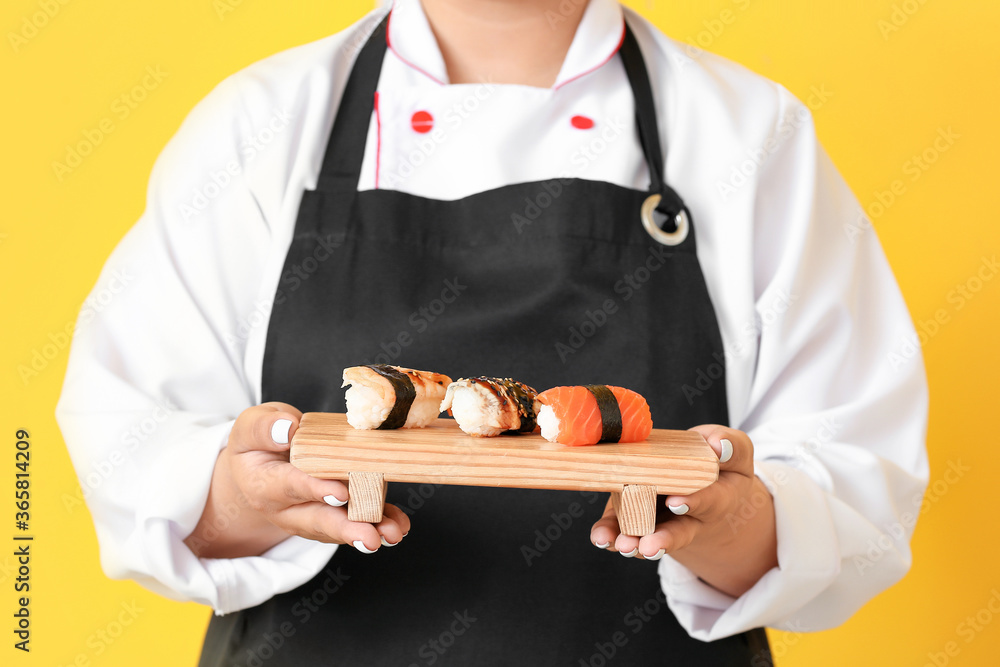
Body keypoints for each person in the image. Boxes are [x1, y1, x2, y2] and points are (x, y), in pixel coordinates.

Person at [56, 0, 929, 664]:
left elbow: (858, 483)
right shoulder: (257, 127)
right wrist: (236, 498)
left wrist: (732, 516)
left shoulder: (750, 137)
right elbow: (126, 438)